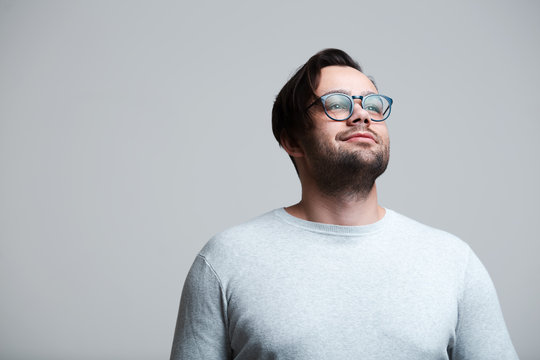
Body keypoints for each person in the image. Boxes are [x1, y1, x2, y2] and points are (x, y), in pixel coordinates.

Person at [170, 48, 519, 359]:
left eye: (372, 104)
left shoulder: (453, 260)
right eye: (337, 104)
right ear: (292, 140)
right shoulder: (226, 259)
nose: (362, 115)